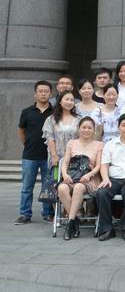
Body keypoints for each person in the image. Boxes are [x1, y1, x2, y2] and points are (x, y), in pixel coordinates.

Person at [57, 117, 103, 240]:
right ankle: (75, 221)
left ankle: (70, 225)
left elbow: (99, 165)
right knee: (61, 188)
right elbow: (65, 161)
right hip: (72, 176)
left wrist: (89, 175)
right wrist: (65, 175)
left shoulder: (99, 144)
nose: (86, 130)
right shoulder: (72, 143)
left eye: (89, 128)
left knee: (78, 187)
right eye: (84, 127)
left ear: (94, 130)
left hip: (90, 178)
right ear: (79, 128)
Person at [16, 81, 54, 225]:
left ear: (50, 94)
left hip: (48, 156)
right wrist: (27, 144)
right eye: (40, 91)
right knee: (27, 187)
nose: (43, 94)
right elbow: (21, 131)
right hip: (30, 155)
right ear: (35, 94)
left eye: (46, 91)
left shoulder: (55, 112)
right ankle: (25, 214)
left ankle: (48, 213)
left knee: (48, 187)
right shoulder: (26, 112)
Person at [43, 91, 80, 172]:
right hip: (57, 157)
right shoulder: (51, 119)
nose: (69, 102)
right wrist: (54, 155)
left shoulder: (79, 119)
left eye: (72, 100)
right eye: (67, 99)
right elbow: (50, 138)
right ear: (60, 101)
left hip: (74, 157)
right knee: (56, 178)